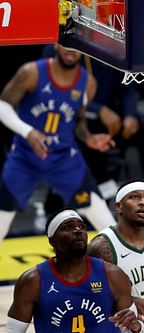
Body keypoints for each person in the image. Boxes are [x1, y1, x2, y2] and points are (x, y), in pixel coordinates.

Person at [0, 44, 115, 250]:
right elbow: (3, 105)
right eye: (66, 45)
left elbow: (78, 121)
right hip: (25, 156)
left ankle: (127, 270)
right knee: (3, 215)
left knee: (102, 217)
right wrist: (28, 132)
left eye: (77, 46)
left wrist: (89, 138)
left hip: (64, 157)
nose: (72, 50)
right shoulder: (32, 72)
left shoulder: (87, 82)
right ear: (55, 44)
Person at [76, 56, 144, 227]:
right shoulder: (69, 51)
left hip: (114, 111)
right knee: (85, 135)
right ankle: (83, 201)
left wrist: (130, 114)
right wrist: (99, 110)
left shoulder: (113, 46)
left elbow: (128, 85)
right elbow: (66, 93)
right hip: (82, 114)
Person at [5, 208, 142, 333]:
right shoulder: (33, 281)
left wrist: (137, 330)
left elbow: (130, 329)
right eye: (67, 227)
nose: (78, 230)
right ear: (52, 241)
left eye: (81, 226)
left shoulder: (113, 275)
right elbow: (12, 331)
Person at [87, 180, 144, 333]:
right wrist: (130, 301)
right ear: (119, 206)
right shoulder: (101, 246)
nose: (143, 202)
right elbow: (88, 296)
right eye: (135, 197)